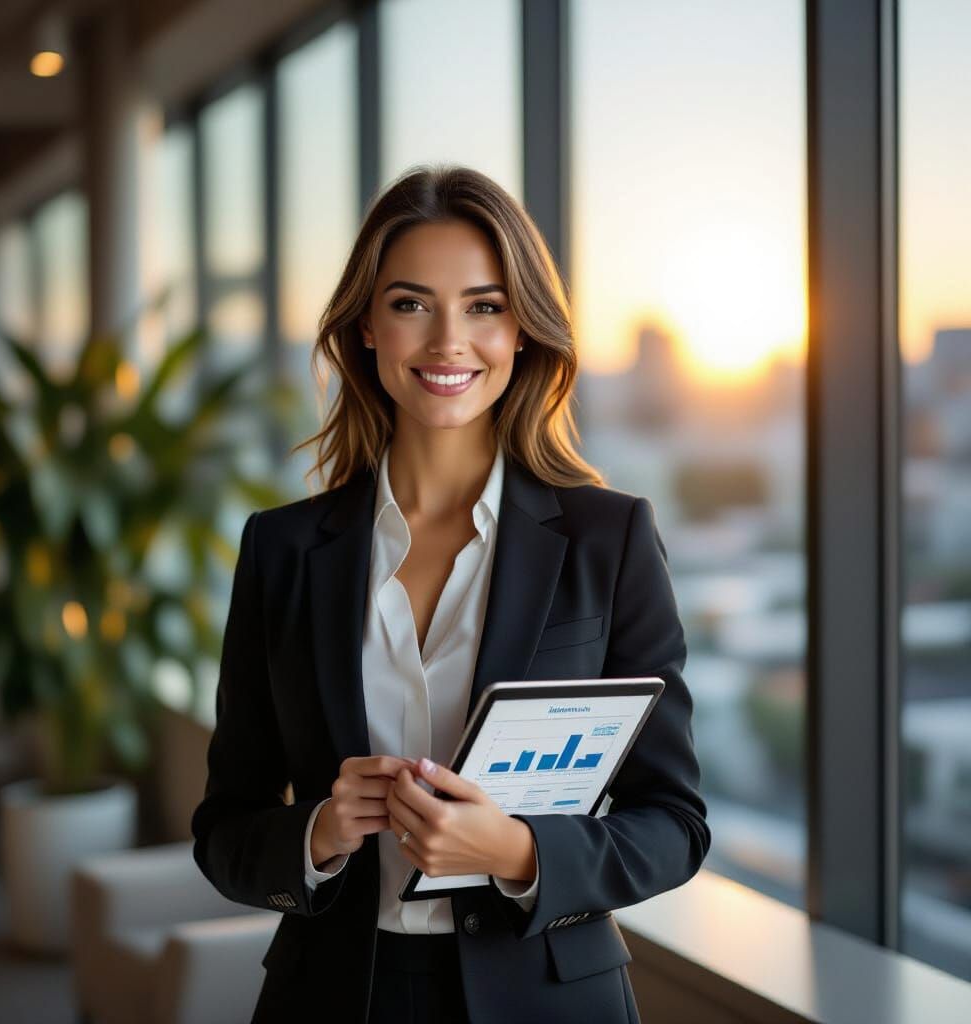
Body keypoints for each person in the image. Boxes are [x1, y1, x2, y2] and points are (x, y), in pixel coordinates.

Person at [190, 164, 711, 1024]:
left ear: (522, 331)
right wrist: (318, 834)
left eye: (483, 305)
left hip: (546, 997)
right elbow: (224, 829)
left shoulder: (607, 541)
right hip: (335, 995)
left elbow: (675, 824)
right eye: (409, 304)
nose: (446, 342)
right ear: (365, 326)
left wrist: (515, 848)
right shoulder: (281, 551)